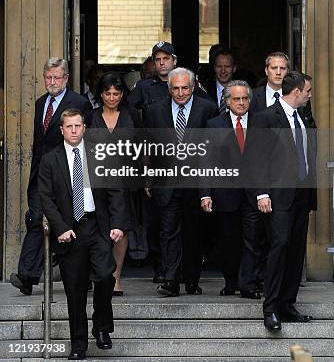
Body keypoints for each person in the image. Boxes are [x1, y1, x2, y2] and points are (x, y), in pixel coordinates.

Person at [39, 109, 129, 360]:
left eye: (78, 125)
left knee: (104, 276)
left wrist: (118, 223)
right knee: (75, 290)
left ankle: (101, 327)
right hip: (70, 230)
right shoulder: (50, 160)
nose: (74, 130)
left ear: (84, 127)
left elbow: (115, 190)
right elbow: (45, 198)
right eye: (69, 126)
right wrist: (60, 228)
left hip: (96, 225)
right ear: (62, 130)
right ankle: (78, 344)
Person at [10, 57, 90, 296]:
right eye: (48, 77)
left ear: (66, 78)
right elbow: (39, 143)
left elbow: (86, 139)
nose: (52, 82)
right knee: (35, 218)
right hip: (42, 173)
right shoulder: (39, 103)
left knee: (72, 221)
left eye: (57, 77)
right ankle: (27, 276)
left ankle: (82, 276)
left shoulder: (79, 102)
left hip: (69, 173)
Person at [250, 72, 317, 332]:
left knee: (295, 250)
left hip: (301, 195)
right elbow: (256, 158)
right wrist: (262, 193)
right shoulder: (267, 117)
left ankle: (288, 305)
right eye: (308, 91)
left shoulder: (303, 117)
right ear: (297, 91)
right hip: (277, 196)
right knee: (279, 247)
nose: (310, 95)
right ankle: (271, 309)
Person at [145, 67, 217, 297]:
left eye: (185, 88)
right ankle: (171, 280)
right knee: (168, 232)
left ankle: (192, 279)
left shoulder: (207, 108)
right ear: (169, 89)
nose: (180, 93)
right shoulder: (155, 111)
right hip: (165, 182)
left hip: (196, 182)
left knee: (194, 232)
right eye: (175, 88)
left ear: (193, 87)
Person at [201, 80, 259, 298]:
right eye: (236, 99)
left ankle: (248, 284)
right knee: (228, 240)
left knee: (252, 239)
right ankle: (231, 281)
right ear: (227, 102)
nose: (242, 103)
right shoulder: (214, 125)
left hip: (253, 193)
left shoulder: (259, 122)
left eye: (245, 98)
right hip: (225, 193)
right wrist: (205, 193)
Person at [86, 73, 141, 295]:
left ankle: (116, 278)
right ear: (100, 94)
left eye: (116, 93)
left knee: (122, 228)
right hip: (95, 180)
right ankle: (98, 275)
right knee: (96, 227)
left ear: (122, 94)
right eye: (107, 93)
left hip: (125, 180)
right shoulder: (90, 116)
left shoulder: (132, 115)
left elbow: (142, 146)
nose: (112, 97)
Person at [203, 47, 236, 112]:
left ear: (234, 68)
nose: (223, 71)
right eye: (219, 66)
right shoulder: (205, 90)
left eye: (227, 66)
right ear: (214, 68)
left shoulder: (243, 91)